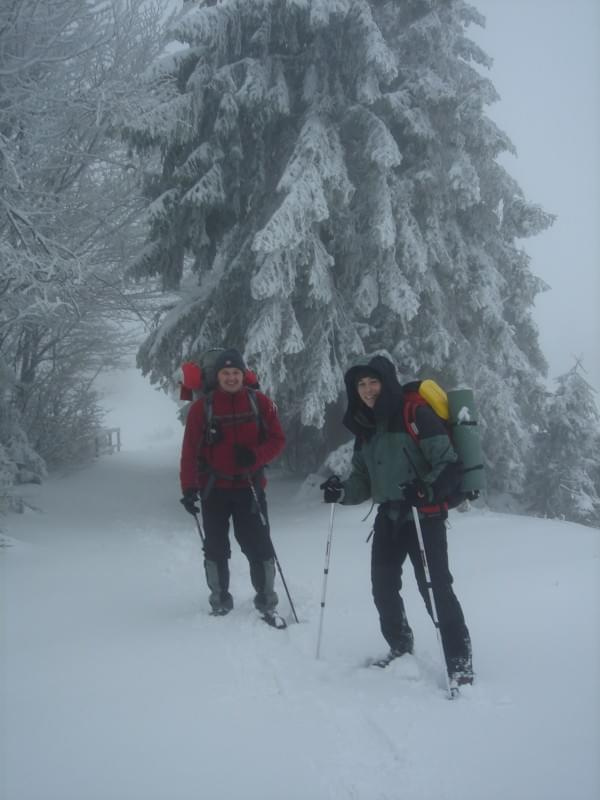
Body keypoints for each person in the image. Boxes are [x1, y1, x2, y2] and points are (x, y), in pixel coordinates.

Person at [320, 354, 473, 684]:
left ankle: (460, 665)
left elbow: (448, 464)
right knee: (383, 588)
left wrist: (424, 491)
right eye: (361, 384)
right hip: (388, 517)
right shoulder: (367, 426)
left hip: (423, 518)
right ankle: (400, 647)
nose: (368, 389)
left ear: (387, 382)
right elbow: (362, 481)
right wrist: (340, 491)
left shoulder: (414, 413)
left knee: (436, 590)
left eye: (373, 381)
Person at [180, 348, 286, 622]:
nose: (230, 377)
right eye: (225, 373)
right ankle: (220, 600)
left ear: (243, 375)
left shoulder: (260, 402)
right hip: (213, 488)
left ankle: (266, 601)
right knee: (215, 547)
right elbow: (190, 451)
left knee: (259, 545)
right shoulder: (201, 409)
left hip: (250, 486)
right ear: (217, 376)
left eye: (235, 372)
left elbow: (277, 440)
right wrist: (189, 488)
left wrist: (255, 456)